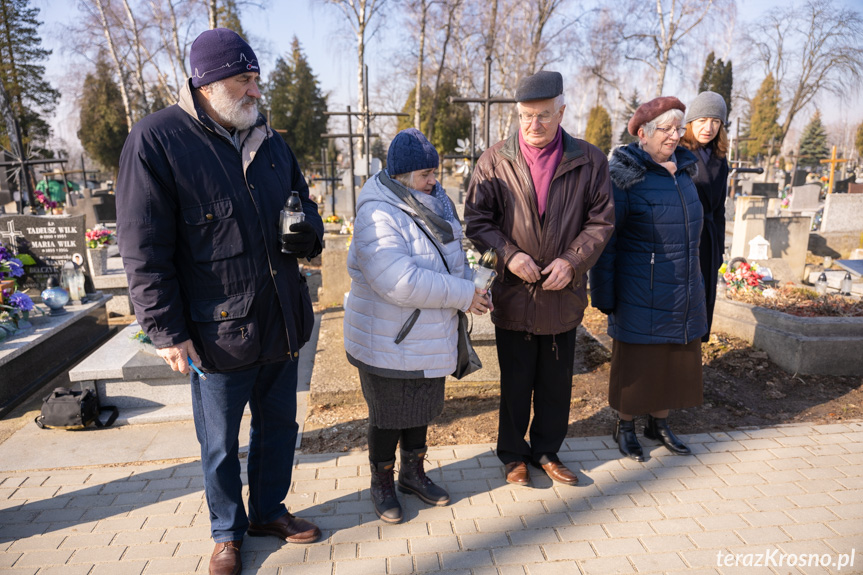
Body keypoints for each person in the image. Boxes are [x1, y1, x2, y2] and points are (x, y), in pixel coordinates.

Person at [116, 28, 323, 575]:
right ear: (207, 85)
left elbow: (306, 209)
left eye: (257, 79)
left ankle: (269, 511)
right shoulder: (157, 140)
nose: (256, 91)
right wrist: (164, 329)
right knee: (220, 444)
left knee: (280, 428)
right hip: (217, 330)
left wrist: (310, 234)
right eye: (243, 80)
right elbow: (143, 245)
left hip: (280, 320)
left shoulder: (271, 140)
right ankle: (227, 533)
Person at [465, 71, 615, 487]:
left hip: (561, 292)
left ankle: (547, 451)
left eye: (544, 115)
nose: (534, 125)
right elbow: (477, 221)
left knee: (555, 383)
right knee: (515, 381)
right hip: (515, 293)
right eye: (527, 116)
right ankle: (513, 455)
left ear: (562, 111)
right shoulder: (495, 160)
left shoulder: (589, 160)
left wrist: (571, 261)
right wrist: (509, 256)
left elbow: (600, 222)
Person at [343, 128, 491, 523]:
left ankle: (413, 473)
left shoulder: (434, 202)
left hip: (428, 332)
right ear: (404, 176)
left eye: (434, 171)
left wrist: (474, 287)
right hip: (389, 336)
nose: (434, 180)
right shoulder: (378, 211)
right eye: (426, 173)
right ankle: (382, 481)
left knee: (421, 409)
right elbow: (399, 280)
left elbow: (450, 259)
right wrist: (461, 294)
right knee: (388, 415)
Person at [589, 96, 708, 462]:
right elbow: (606, 242)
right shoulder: (625, 178)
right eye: (665, 129)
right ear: (642, 134)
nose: (674, 136)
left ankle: (659, 423)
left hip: (682, 288)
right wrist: (605, 296)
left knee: (674, 361)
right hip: (641, 290)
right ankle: (625, 426)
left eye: (678, 128)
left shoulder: (685, 172)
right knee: (638, 365)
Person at [680, 91, 729, 340]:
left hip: (707, 240)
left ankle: (692, 356)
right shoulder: (677, 152)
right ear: (690, 122)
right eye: (702, 120)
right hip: (681, 236)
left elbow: (719, 210)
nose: (708, 127)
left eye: (715, 121)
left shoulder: (721, 160)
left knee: (702, 300)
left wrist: (719, 248)